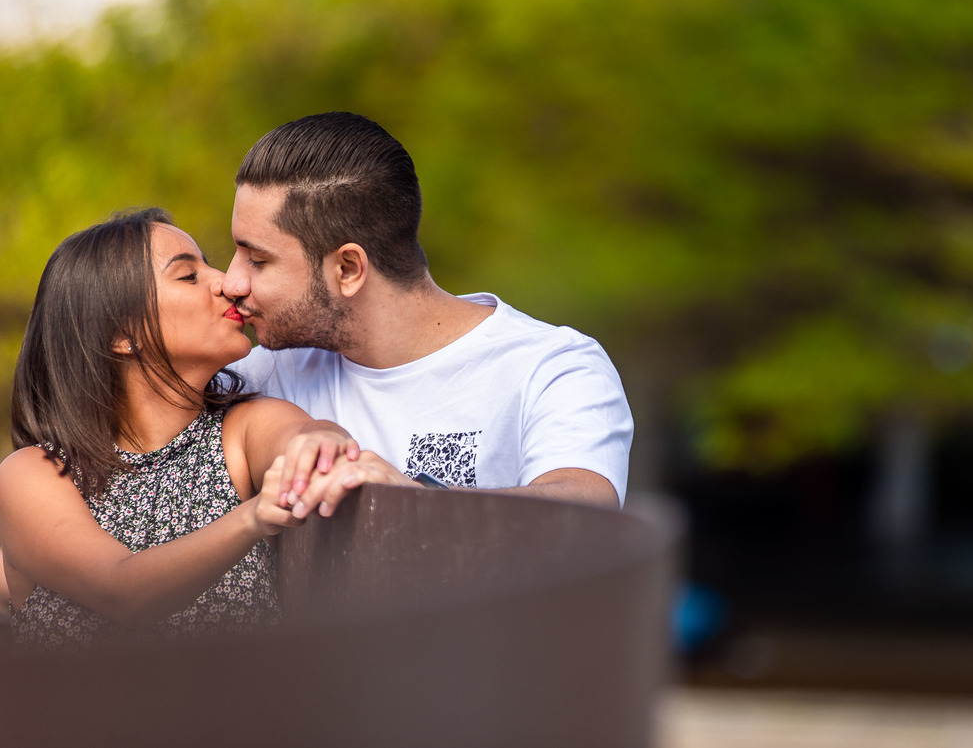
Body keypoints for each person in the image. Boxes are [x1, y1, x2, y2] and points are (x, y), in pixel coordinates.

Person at [222, 112, 633, 518]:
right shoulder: (266, 373)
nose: (232, 282)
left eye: (258, 260)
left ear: (348, 269)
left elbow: (585, 507)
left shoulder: (551, 366)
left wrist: (419, 502)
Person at [0, 208, 365, 650]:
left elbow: (299, 437)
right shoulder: (34, 473)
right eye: (188, 276)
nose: (226, 283)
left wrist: (322, 439)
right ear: (123, 334)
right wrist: (251, 518)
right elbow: (121, 590)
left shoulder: (242, 431)